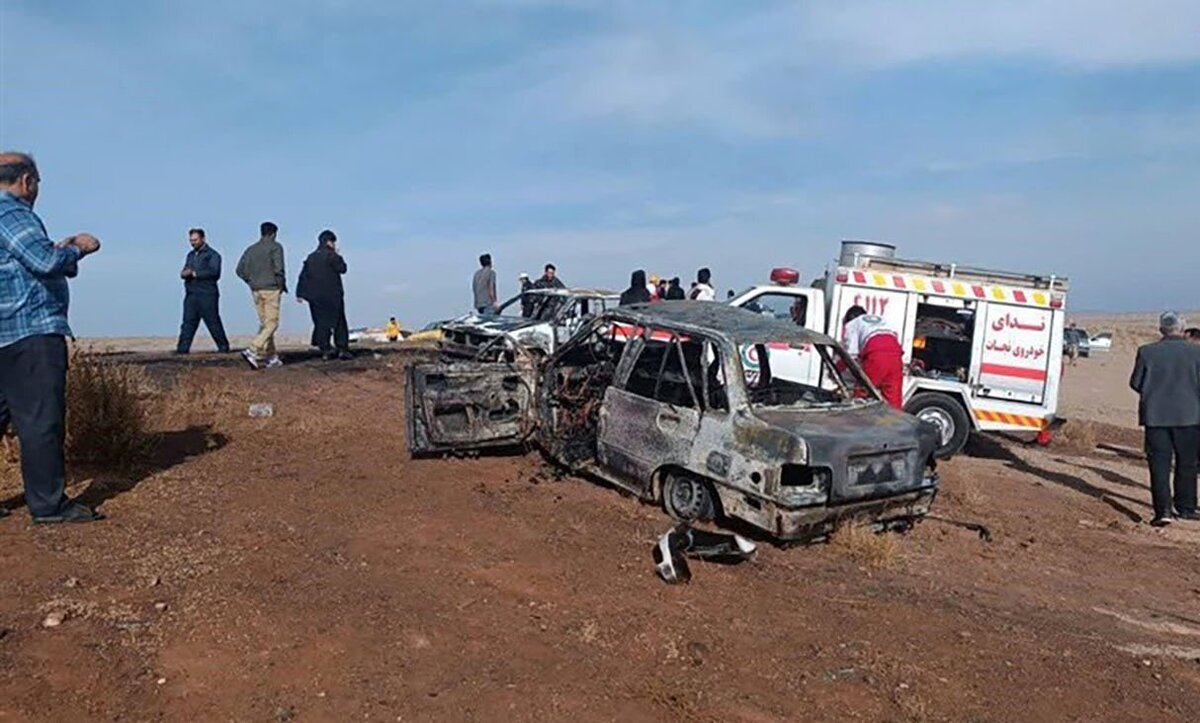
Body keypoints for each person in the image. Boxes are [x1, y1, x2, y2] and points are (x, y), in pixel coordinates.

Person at [0, 152, 104, 523]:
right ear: (26, 180)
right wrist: (79, 248)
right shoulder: (11, 212)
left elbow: (24, 261)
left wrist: (56, 252)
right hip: (28, 331)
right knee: (40, 420)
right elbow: (43, 262)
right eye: (38, 182)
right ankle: (49, 506)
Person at [1129, 311, 1200, 527]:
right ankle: (1186, 507)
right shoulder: (1196, 353)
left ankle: (1163, 511)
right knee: (1186, 464)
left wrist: (1154, 393)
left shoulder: (1146, 352)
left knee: (1159, 465)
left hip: (1155, 417)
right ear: (1182, 328)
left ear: (1161, 329)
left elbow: (1135, 382)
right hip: (1189, 417)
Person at [236, 222, 287, 369]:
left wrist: (251, 281)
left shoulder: (251, 250)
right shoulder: (276, 247)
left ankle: (271, 357)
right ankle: (253, 349)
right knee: (272, 323)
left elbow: (240, 270)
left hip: (256, 289)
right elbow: (279, 268)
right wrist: (281, 284)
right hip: (271, 289)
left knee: (265, 324)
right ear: (273, 234)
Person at [296, 229, 351, 361]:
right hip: (333, 295)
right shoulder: (332, 256)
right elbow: (342, 268)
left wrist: (300, 293)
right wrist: (338, 255)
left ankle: (326, 350)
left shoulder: (311, 257)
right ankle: (342, 349)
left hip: (315, 297)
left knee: (320, 323)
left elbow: (303, 276)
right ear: (329, 242)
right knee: (339, 322)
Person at [175, 227, 230, 355]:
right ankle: (182, 350)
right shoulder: (190, 255)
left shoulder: (213, 255)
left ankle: (223, 348)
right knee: (188, 323)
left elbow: (215, 272)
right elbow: (185, 269)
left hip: (207, 294)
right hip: (191, 294)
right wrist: (184, 273)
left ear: (203, 239)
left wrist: (195, 273)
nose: (193, 243)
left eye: (195, 240)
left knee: (212, 322)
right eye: (191, 240)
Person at [842, 305, 904, 409]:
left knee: (862, 392)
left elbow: (849, 355)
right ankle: (895, 423)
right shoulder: (880, 320)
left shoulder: (853, 324)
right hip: (896, 355)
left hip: (876, 355)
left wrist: (836, 369)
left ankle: (853, 421)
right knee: (893, 398)